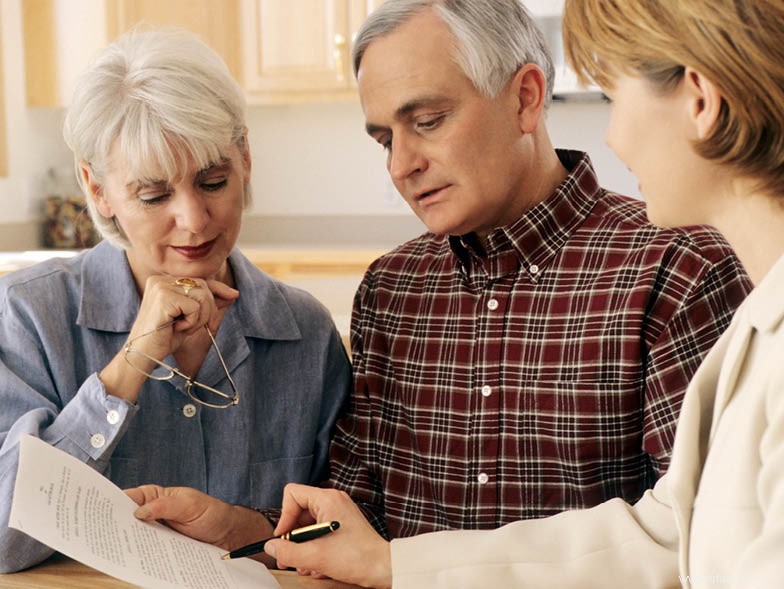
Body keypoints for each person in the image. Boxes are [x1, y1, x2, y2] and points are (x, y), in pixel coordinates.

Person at [128, 0, 784, 586]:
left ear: (527, 97)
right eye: (385, 138)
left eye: (430, 120)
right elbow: (350, 526)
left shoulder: (678, 266)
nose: (401, 165)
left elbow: (683, 540)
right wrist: (240, 528)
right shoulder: (392, 287)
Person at [0, 28, 351, 574]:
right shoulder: (29, 318)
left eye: (213, 182)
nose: (193, 221)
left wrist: (245, 526)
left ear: (246, 160)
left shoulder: (306, 333)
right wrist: (129, 367)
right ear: (98, 190)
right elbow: (2, 542)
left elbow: (347, 537)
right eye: (154, 195)